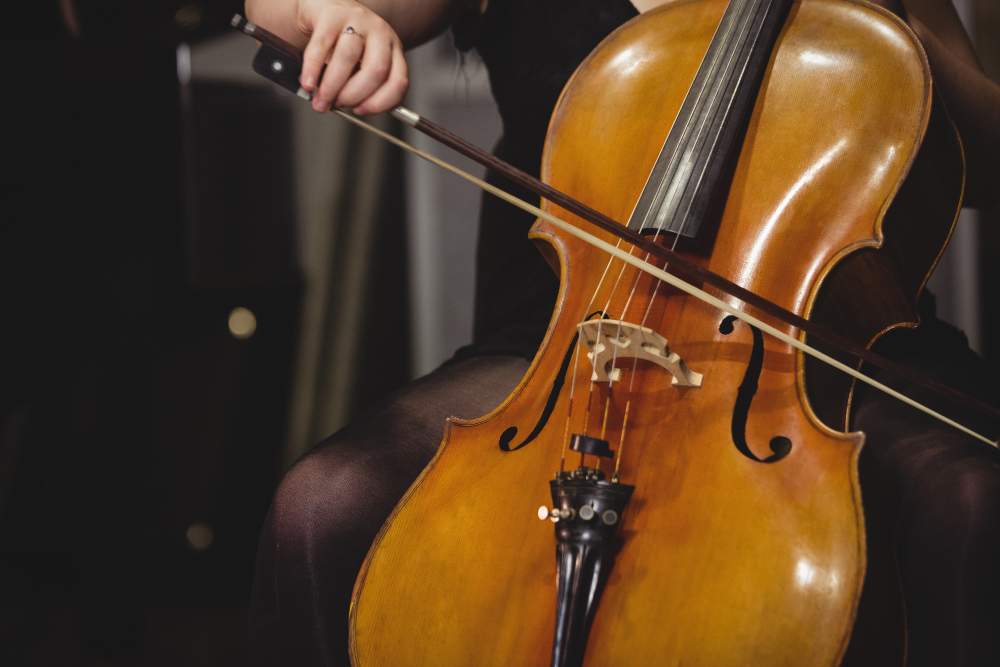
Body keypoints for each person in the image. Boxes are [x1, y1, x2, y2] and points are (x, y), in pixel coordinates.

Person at [243, 0, 1000, 665]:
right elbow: (280, 6)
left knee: (968, 498)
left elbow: (988, 166)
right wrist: (334, 17)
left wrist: (900, 44)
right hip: (562, 335)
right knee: (322, 503)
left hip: (822, 330)